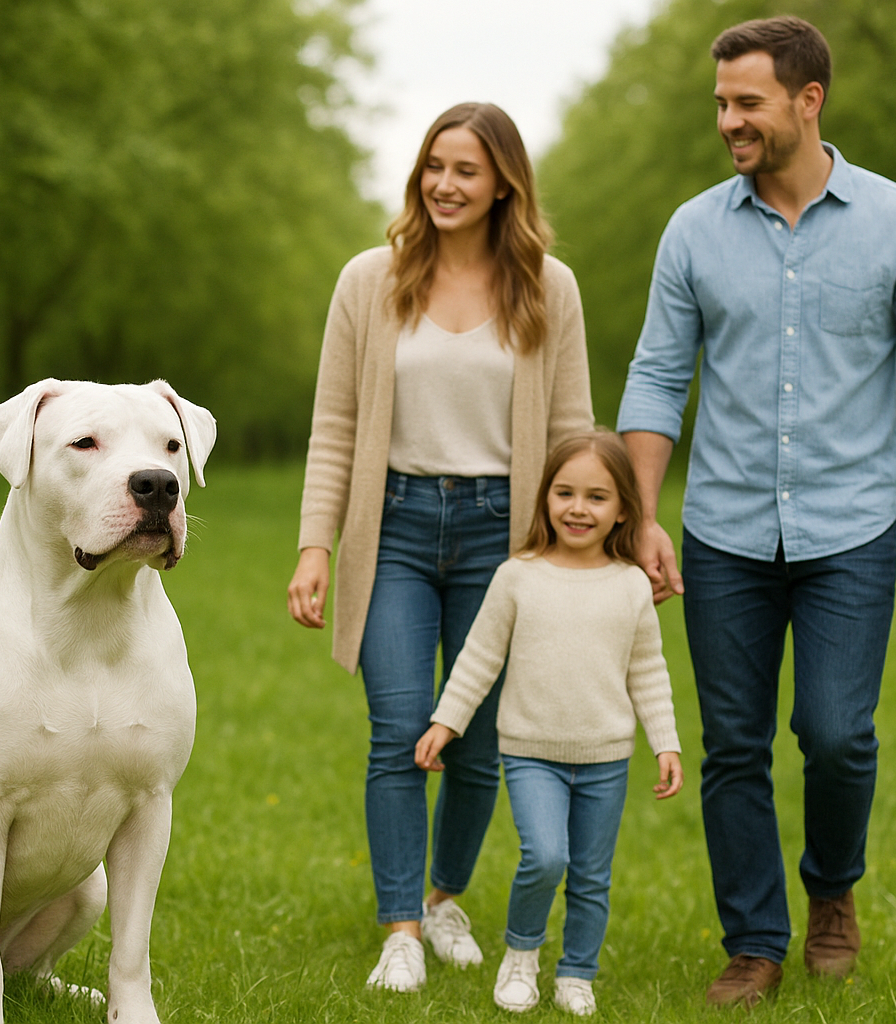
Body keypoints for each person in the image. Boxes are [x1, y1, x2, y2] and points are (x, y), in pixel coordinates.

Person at [615, 16, 896, 1007]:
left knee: (834, 731)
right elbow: (655, 379)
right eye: (721, 103)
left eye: (747, 103)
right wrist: (642, 513)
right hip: (723, 530)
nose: (728, 120)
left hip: (849, 528)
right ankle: (753, 942)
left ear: (808, 101)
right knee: (732, 743)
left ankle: (832, 890)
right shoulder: (693, 228)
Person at [287, 102, 595, 992]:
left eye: (466, 169)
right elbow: (335, 427)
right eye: (434, 166)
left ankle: (444, 898)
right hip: (398, 531)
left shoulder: (549, 286)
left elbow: (573, 428)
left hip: (506, 538)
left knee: (478, 739)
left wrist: (578, 549)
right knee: (398, 731)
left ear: (504, 180)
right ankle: (400, 930)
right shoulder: (370, 282)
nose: (445, 185)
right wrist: (316, 546)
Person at [414, 430, 683, 1017]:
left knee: (590, 875)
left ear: (622, 511)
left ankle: (577, 972)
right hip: (531, 751)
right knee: (545, 857)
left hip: (607, 757)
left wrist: (666, 743)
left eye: (597, 497)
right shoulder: (518, 576)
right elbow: (479, 658)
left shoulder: (632, 585)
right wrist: (446, 723)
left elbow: (649, 671)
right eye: (565, 493)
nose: (579, 508)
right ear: (544, 499)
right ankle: (521, 955)